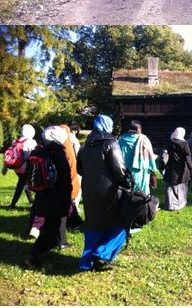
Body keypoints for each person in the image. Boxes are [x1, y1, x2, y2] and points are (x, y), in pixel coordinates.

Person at [77, 114, 132, 271]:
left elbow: (79, 168)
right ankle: (102, 255)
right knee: (120, 224)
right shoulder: (111, 143)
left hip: (88, 189)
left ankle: (85, 263)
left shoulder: (85, 144)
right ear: (108, 125)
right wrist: (127, 182)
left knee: (93, 224)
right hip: (109, 191)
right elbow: (119, 170)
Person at [25, 126, 72, 268]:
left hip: (43, 195)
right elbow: (65, 179)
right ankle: (33, 256)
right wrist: (67, 197)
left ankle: (40, 252)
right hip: (57, 197)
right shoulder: (58, 153)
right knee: (52, 230)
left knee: (50, 227)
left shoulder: (39, 151)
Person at [119, 120, 157, 195]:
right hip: (141, 170)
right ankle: (141, 205)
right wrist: (152, 169)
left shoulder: (121, 140)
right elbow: (150, 157)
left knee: (127, 191)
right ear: (139, 129)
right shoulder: (144, 139)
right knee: (141, 192)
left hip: (125, 170)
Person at [4, 124, 37, 209]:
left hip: (17, 168)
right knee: (22, 184)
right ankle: (13, 205)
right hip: (26, 167)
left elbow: (7, 153)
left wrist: (4, 167)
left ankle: (30, 201)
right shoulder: (31, 141)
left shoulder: (17, 141)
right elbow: (29, 156)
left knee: (24, 183)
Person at [163, 127, 192, 211]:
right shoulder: (184, 144)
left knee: (170, 188)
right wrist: (191, 169)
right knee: (181, 187)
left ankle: (170, 205)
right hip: (182, 169)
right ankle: (180, 204)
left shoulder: (169, 142)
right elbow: (188, 157)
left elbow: (164, 154)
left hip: (171, 168)